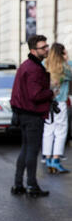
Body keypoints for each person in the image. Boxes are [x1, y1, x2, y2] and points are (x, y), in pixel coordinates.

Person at [10, 35, 56, 198]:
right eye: (43, 47)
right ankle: (31, 185)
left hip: (24, 114)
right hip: (32, 115)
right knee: (32, 150)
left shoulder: (27, 65)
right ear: (33, 50)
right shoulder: (33, 68)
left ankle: (18, 184)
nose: (47, 49)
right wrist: (51, 92)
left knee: (25, 149)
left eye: (47, 46)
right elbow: (35, 94)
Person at [42, 43, 72, 173]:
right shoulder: (64, 68)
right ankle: (55, 160)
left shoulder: (44, 65)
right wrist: (67, 59)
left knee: (48, 130)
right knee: (60, 131)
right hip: (59, 103)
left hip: (46, 102)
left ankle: (47, 158)